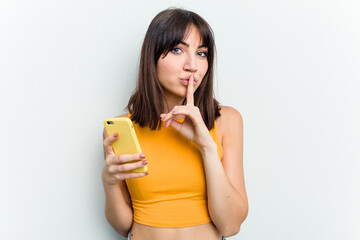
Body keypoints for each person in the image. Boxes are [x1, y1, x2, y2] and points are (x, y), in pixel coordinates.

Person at [102, 8, 248, 240]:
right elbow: (122, 226)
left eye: (201, 53)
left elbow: (230, 226)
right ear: (152, 57)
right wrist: (109, 183)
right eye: (178, 50)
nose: (192, 65)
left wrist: (206, 147)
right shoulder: (122, 129)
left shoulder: (227, 121)